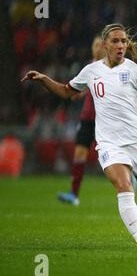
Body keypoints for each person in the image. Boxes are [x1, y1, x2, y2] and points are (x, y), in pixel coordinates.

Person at [22, 23, 137, 254]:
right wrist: (44, 79)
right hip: (109, 144)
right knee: (123, 185)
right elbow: (66, 92)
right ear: (104, 45)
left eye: (123, 41)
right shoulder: (91, 71)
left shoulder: (135, 71)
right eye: (115, 41)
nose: (120, 45)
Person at [57, 36, 105, 206]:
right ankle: (74, 194)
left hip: (104, 120)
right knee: (79, 153)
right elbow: (80, 88)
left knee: (115, 156)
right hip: (87, 118)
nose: (98, 48)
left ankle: (131, 179)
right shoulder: (89, 67)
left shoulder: (108, 66)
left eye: (101, 45)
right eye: (95, 45)